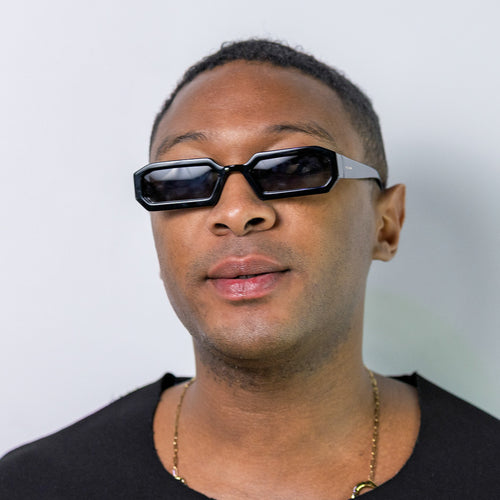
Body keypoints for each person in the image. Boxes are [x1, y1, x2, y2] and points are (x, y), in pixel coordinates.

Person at [1, 39, 499, 500]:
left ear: (385, 225)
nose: (236, 211)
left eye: (294, 167)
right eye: (184, 179)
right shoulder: (35, 486)